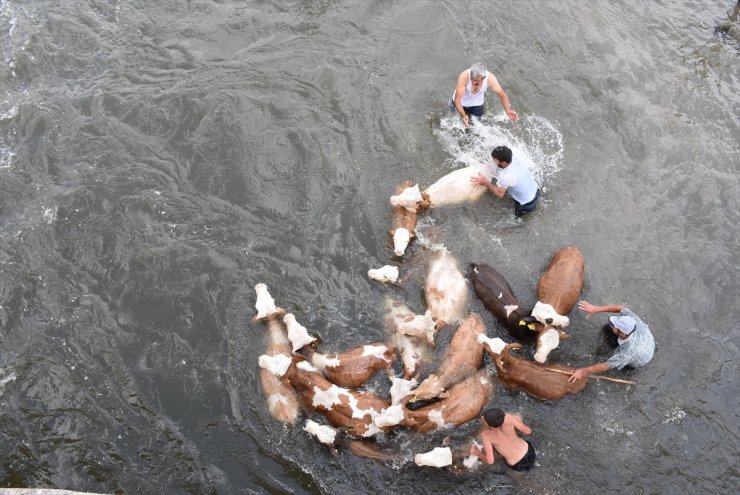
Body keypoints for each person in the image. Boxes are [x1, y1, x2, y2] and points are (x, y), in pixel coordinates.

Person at [568, 301, 655, 382]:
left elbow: (606, 365)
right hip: (647, 341)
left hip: (639, 358)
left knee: (617, 360)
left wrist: (583, 371)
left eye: (615, 326)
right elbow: (620, 308)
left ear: (622, 333)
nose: (612, 324)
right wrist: (595, 309)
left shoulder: (626, 353)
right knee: (607, 328)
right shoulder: (632, 321)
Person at [470, 145, 540, 216]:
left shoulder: (505, 176)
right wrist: (488, 166)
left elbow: (499, 194)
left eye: (495, 160)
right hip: (536, 189)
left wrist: (485, 182)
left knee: (516, 219)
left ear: (504, 163)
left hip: (527, 204)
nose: (493, 161)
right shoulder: (515, 157)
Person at [450, 63, 519, 128]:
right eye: (472, 80)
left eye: (477, 82)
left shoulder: (490, 79)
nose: (473, 83)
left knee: (476, 126)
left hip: (476, 104)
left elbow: (501, 94)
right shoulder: (464, 76)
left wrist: (507, 110)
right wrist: (463, 115)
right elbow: (457, 100)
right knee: (452, 120)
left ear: (483, 78)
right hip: (459, 102)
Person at [469, 408, 536, 472]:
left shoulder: (486, 435)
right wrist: (516, 420)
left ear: (490, 425)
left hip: (516, 464)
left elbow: (490, 461)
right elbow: (528, 431)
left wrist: (476, 452)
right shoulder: (508, 417)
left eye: (484, 418)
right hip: (529, 451)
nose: (482, 418)